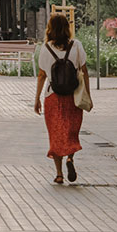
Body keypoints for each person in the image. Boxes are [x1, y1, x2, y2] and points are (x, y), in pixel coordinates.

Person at [35, 13, 90, 185]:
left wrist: (36, 99)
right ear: (67, 27)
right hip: (72, 97)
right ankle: (70, 159)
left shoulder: (46, 48)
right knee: (71, 132)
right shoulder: (76, 45)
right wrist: (88, 94)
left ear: (50, 28)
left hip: (53, 97)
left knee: (56, 134)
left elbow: (42, 75)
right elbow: (84, 70)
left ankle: (59, 174)